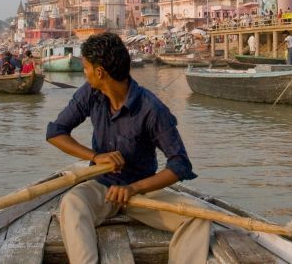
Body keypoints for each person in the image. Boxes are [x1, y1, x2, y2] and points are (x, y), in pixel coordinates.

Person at [46, 33, 210, 264]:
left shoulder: (151, 108)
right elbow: (55, 133)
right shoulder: (91, 93)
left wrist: (133, 188)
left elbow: (180, 164)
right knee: (72, 204)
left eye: (86, 68)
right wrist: (96, 157)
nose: (85, 73)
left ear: (100, 72)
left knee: (197, 217)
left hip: (143, 193)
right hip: (102, 188)